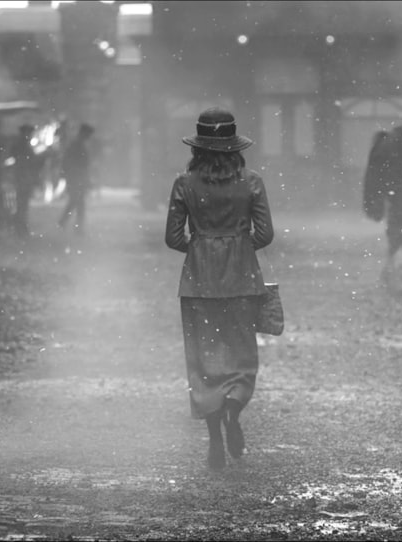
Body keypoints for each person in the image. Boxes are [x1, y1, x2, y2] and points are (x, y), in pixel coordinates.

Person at [164, 107, 274, 471]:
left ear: (197, 148)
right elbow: (266, 235)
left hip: (198, 283)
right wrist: (237, 247)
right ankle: (234, 410)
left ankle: (214, 439)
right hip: (243, 280)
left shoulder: (184, 184)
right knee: (242, 356)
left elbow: (172, 237)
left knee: (204, 360)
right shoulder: (253, 181)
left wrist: (201, 247)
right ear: (235, 147)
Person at [58, 122, 94, 234]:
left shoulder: (77, 144)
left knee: (75, 202)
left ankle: (66, 223)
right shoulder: (77, 145)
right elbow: (75, 163)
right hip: (76, 178)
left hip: (76, 177)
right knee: (78, 203)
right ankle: (76, 227)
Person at [11, 124, 43, 238]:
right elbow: (29, 162)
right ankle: (20, 228)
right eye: (29, 133)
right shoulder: (23, 146)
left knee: (21, 204)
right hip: (23, 178)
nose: (30, 135)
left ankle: (20, 227)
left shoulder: (20, 145)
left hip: (22, 177)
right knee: (22, 204)